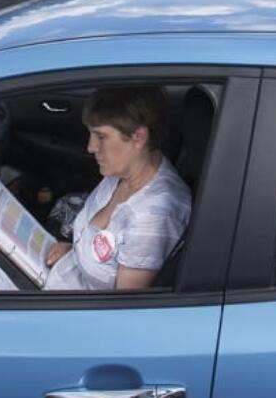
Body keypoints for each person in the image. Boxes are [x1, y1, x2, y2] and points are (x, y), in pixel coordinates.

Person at [43, 87, 191, 291]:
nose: (91, 147)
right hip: (61, 275)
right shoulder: (123, 172)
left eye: (101, 137)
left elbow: (120, 310)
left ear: (138, 137)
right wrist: (74, 251)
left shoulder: (152, 218)